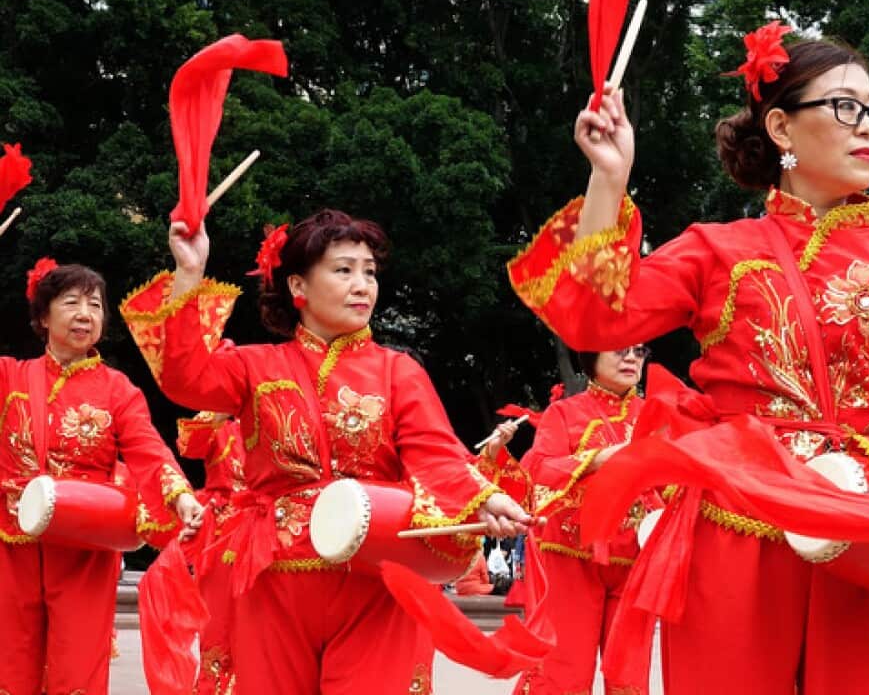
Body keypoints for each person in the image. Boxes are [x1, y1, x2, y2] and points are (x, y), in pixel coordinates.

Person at [509, 24, 869, 694]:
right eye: (845, 106)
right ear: (782, 129)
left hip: (863, 531)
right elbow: (595, 316)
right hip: (734, 530)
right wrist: (608, 181)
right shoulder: (719, 250)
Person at [120, 210, 531, 694]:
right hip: (273, 579)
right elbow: (184, 378)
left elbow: (435, 453)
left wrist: (482, 498)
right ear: (299, 285)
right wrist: (189, 272)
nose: (363, 285)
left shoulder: (399, 373)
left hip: (375, 580)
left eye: (370, 272)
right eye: (344, 270)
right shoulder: (255, 366)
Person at [0, 260, 203, 695]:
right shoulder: (9, 378)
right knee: (10, 667)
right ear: (42, 316)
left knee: (78, 668)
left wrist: (179, 496)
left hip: (84, 549)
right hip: (11, 546)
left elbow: (148, 448)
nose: (84, 314)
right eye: (70, 302)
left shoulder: (117, 390)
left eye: (94, 305)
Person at [508, 346, 662, 695]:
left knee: (630, 677)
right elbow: (539, 469)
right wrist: (596, 460)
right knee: (563, 670)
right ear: (591, 357)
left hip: (635, 560)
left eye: (640, 352)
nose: (632, 359)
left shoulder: (657, 416)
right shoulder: (564, 413)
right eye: (621, 351)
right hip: (570, 555)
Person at [174, 409, 245, 695]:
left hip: (275, 533)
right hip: (223, 541)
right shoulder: (223, 427)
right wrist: (219, 408)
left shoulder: (285, 421)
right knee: (218, 629)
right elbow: (189, 444)